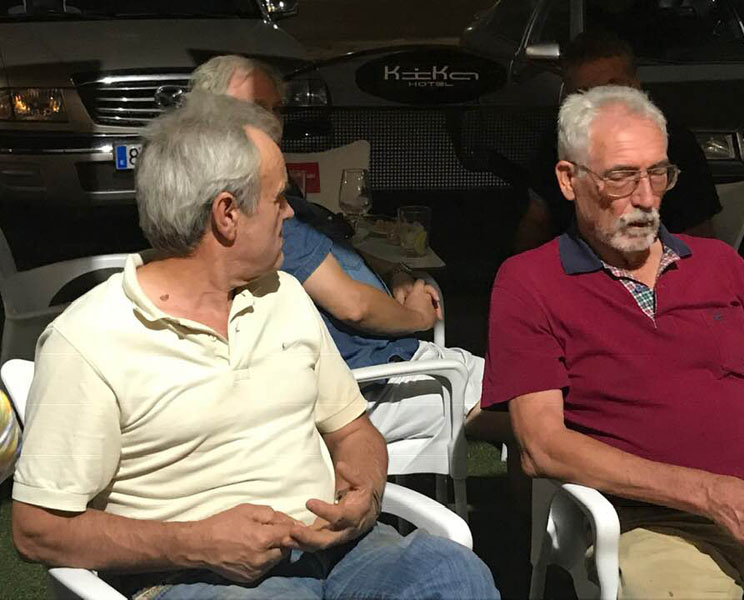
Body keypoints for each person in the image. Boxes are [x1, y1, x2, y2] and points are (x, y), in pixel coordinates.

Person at [10, 91, 500, 600]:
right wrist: (195, 544)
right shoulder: (89, 338)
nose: (289, 213)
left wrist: (365, 489)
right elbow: (36, 528)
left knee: (454, 575)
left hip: (343, 550)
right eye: (278, 198)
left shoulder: (283, 294)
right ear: (227, 214)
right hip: (195, 575)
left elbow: (355, 431)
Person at [483, 85, 744, 598]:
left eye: (658, 173)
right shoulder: (529, 282)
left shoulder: (720, 263)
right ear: (568, 179)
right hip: (652, 523)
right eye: (621, 177)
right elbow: (542, 446)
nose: (647, 198)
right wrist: (711, 494)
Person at [191, 55, 509, 445]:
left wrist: (394, 272)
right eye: (257, 107)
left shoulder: (273, 195)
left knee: (515, 389)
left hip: (384, 361)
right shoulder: (259, 213)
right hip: (371, 380)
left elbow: (335, 247)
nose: (274, 121)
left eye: (276, 108)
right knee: (518, 394)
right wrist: (416, 317)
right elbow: (353, 307)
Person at [515, 29, 721, 252]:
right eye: (586, 92)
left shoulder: (675, 142)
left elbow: (699, 235)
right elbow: (537, 222)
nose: (603, 101)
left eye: (612, 88)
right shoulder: (557, 142)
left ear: (636, 85)